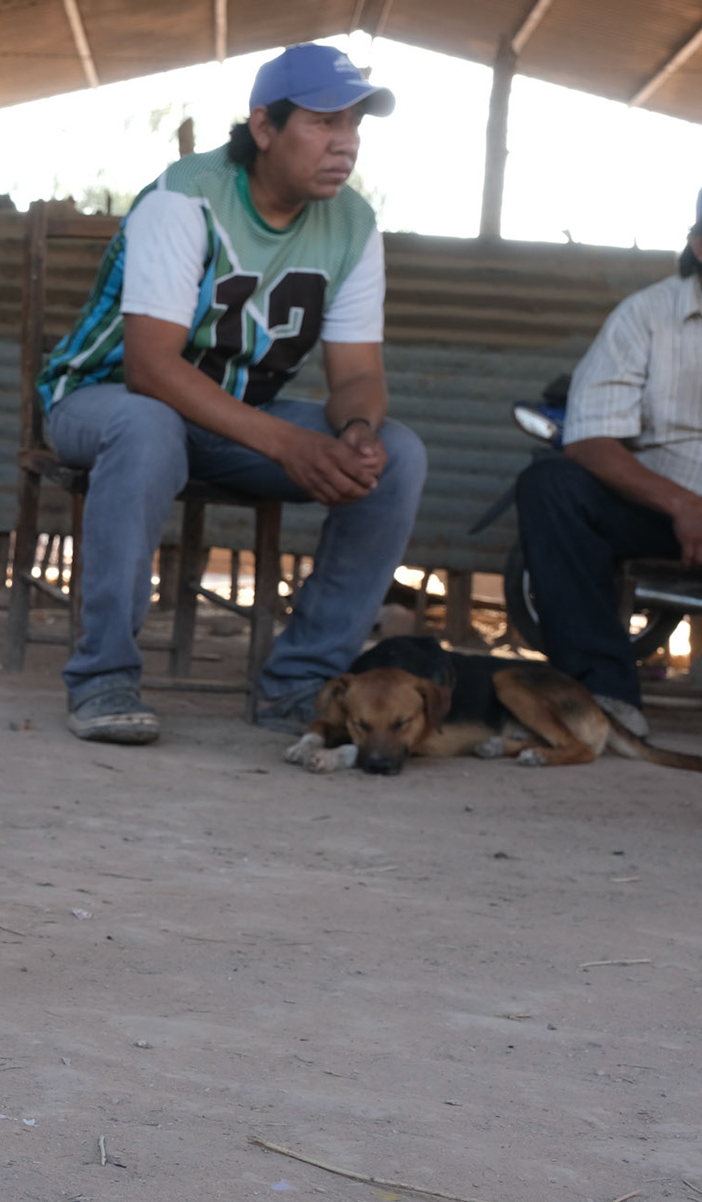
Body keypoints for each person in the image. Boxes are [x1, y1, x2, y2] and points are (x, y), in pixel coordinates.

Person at [37, 44, 426, 745]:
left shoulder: (353, 224)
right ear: (265, 126)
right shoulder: (186, 197)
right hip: (102, 400)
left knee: (396, 457)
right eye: (324, 123)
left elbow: (357, 376)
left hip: (234, 418)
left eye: (354, 125)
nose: (345, 143)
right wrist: (287, 443)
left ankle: (300, 684)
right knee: (148, 425)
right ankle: (103, 677)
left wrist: (359, 429)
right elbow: (149, 369)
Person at [513, 194, 702, 738]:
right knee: (551, 486)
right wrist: (682, 504)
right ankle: (603, 698)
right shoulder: (646, 316)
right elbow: (589, 440)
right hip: (662, 511)